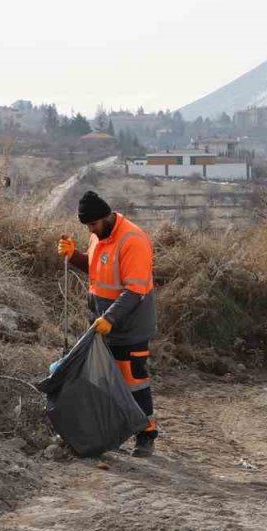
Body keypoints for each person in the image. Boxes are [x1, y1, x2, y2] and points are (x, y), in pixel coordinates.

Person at [57, 191, 159, 457]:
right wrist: (74, 255)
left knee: (133, 382)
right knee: (103, 382)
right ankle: (110, 433)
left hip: (130, 327)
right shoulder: (99, 236)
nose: (90, 230)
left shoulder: (132, 240)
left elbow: (135, 290)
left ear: (106, 217)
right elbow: (97, 268)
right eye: (87, 226)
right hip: (103, 325)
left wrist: (110, 318)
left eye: (93, 224)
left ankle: (146, 436)